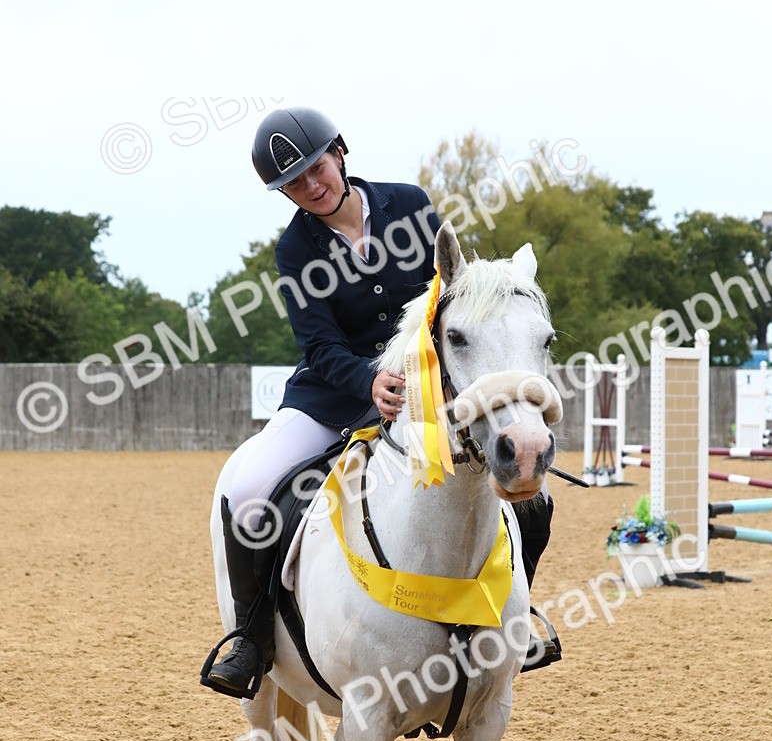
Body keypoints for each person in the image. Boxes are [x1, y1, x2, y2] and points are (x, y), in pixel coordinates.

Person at [203, 106, 555, 701]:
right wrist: (367, 380)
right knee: (249, 492)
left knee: (530, 493)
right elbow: (319, 344)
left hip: (424, 393)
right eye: (293, 182)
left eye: (316, 168)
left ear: (339, 153)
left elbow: (451, 295)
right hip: (332, 398)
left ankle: (516, 618)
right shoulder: (296, 249)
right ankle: (252, 637)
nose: (311, 186)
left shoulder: (409, 205)